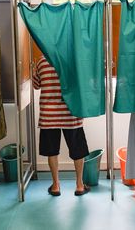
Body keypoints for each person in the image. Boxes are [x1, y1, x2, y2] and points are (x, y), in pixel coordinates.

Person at [33, 56, 90, 196]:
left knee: (52, 151)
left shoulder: (41, 61)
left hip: (49, 115)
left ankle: (56, 186)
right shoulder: (72, 61)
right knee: (78, 150)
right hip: (70, 113)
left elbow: (36, 85)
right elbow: (81, 85)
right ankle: (79, 185)